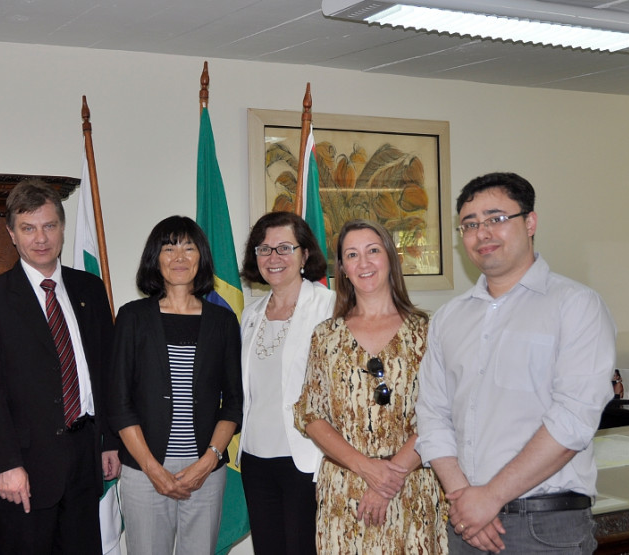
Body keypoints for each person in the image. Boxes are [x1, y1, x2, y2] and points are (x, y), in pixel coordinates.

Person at [416, 172, 616, 554]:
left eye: (496, 219)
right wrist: (466, 499)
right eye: (470, 224)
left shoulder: (576, 306)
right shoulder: (448, 318)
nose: (482, 233)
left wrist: (490, 496)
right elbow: (432, 414)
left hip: (544, 528)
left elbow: (573, 419)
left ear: (530, 222)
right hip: (465, 524)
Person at [0, 179, 121, 554]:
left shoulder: (90, 289)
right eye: (28, 228)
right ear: (12, 234)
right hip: (25, 467)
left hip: (85, 458)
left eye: (49, 226)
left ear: (62, 228)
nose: (41, 238)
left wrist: (110, 442)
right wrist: (7, 464)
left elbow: (106, 372)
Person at [293, 219, 447, 554]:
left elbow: (441, 414)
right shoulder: (326, 336)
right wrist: (366, 469)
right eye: (352, 255)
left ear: (390, 257)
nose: (363, 262)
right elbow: (311, 415)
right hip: (345, 492)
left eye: (373, 250)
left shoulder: (428, 332)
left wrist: (388, 479)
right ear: (343, 269)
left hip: (411, 489)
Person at [108, 215, 243, 555]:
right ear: (155, 258)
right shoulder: (132, 317)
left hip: (206, 470)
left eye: (188, 248)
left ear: (201, 257)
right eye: (169, 248)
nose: (179, 257)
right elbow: (119, 403)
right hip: (144, 469)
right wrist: (153, 469)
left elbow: (234, 402)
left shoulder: (223, 321)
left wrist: (208, 462)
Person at [237, 211, 334, 555]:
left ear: (305, 254)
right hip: (255, 458)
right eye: (264, 249)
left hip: (307, 458)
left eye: (284, 248)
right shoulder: (251, 314)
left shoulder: (331, 307)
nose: (273, 257)